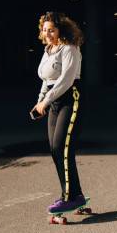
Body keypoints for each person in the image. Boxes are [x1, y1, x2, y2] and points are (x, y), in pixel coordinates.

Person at [32, 11, 87, 214]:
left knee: (61, 147)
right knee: (57, 150)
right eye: (44, 30)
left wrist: (46, 101)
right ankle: (76, 194)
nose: (47, 33)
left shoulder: (69, 48)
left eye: (51, 29)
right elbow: (46, 80)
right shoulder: (48, 49)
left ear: (60, 29)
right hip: (53, 100)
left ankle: (68, 197)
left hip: (69, 98)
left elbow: (66, 80)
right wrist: (40, 102)